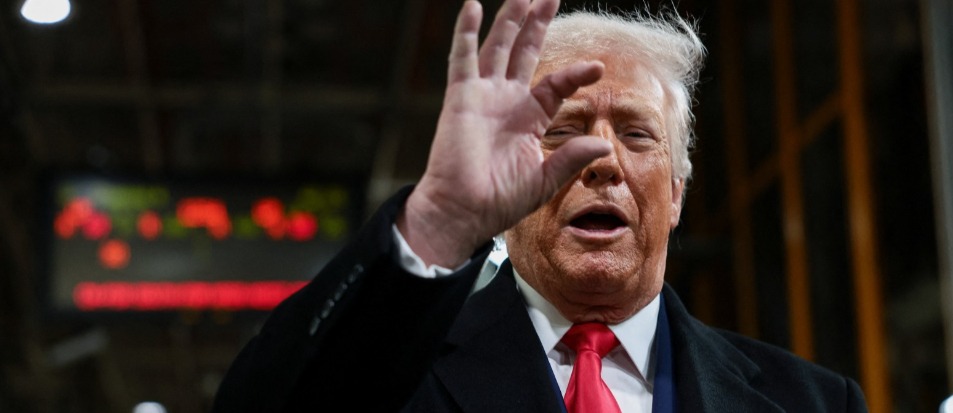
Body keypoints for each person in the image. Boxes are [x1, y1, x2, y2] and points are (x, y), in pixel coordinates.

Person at [213, 0, 868, 411]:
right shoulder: (399, 375)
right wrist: (440, 219)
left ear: (674, 193)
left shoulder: (813, 400)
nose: (600, 158)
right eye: (561, 130)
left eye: (637, 134)